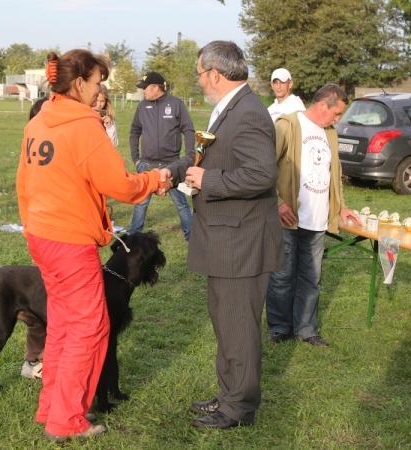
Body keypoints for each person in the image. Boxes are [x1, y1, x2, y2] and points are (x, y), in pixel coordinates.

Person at [17, 49, 164, 442]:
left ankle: (50, 407)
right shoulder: (84, 125)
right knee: (90, 328)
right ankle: (67, 420)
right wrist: (156, 179)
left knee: (65, 324)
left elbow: (23, 184)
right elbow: (122, 185)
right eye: (99, 82)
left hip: (41, 236)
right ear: (80, 82)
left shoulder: (40, 120)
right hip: (68, 242)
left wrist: (34, 224)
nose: (101, 90)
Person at [160, 41, 284, 429]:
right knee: (227, 323)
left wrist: (207, 179)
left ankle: (239, 408)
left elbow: (263, 174)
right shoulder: (230, 109)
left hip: (242, 242)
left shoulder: (248, 112)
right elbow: (205, 156)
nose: (198, 82)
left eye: (198, 74)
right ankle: (229, 394)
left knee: (239, 327)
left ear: (215, 73)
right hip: (226, 239)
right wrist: (174, 172)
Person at [266, 83, 360, 349]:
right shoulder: (287, 125)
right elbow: (265, 167)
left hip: (317, 221)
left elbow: (334, 172)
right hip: (288, 219)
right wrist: (278, 202)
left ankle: (306, 329)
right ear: (322, 106)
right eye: (336, 113)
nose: (337, 119)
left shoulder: (330, 133)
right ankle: (279, 327)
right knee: (282, 276)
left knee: (312, 278)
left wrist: (340, 206)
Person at [129, 71, 194, 242]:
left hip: (171, 164)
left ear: (156, 88)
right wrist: (136, 158)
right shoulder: (142, 106)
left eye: (145, 88)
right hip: (147, 164)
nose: (143, 91)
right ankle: (133, 238)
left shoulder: (176, 104)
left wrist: (188, 157)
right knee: (141, 202)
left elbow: (188, 129)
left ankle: (192, 236)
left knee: (181, 203)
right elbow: (135, 131)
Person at [20, 96, 49, 381]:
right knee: (40, 305)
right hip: (45, 234)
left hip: (55, 233)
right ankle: (33, 361)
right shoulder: (34, 146)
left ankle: (41, 359)